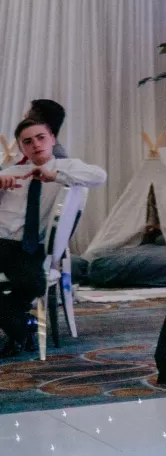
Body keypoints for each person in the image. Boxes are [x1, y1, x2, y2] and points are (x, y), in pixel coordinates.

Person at [0, 118, 105, 355]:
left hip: (29, 247)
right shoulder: (13, 172)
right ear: (22, 148)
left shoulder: (67, 168)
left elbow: (99, 176)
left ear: (52, 139)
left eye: (41, 138)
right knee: (31, 281)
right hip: (1, 242)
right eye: (28, 141)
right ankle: (21, 328)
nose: (35, 144)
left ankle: (18, 327)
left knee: (32, 281)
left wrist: (53, 175)